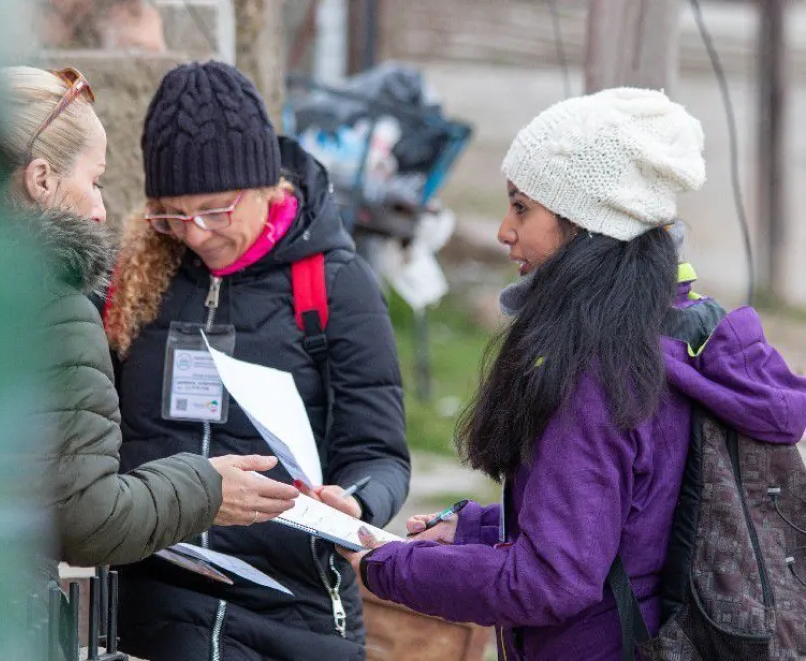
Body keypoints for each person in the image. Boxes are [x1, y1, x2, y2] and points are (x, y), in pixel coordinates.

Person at [338, 87, 806, 660]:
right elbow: (626, 523)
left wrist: (391, 567)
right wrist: (477, 532)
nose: (504, 231)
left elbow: (550, 581)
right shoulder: (678, 335)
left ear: (585, 223)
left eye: (522, 208)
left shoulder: (601, 375)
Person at [103, 61, 411, 661]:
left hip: (295, 615)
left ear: (266, 184)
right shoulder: (134, 276)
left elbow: (379, 453)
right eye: (171, 212)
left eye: (216, 209)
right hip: (152, 610)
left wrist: (355, 501)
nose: (193, 233)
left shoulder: (334, 285)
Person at [0, 65, 298, 576]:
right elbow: (88, 517)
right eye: (95, 181)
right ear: (42, 179)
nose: (99, 208)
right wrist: (207, 489)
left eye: (216, 210)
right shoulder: (57, 305)